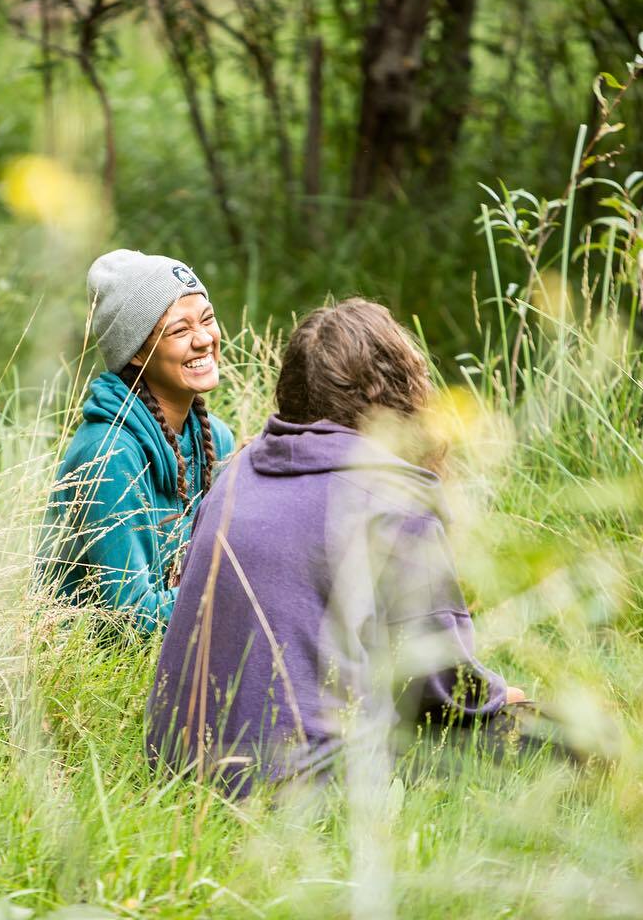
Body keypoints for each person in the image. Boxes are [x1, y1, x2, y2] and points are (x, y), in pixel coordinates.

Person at [146, 298, 526, 796]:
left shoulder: (235, 473)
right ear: (396, 394)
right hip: (295, 788)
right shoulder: (393, 501)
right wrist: (500, 698)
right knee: (559, 738)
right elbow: (441, 695)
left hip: (177, 770)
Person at [42, 249, 236, 633]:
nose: (203, 339)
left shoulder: (217, 438)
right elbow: (129, 619)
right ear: (135, 353)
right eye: (179, 331)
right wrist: (238, 593)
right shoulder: (109, 455)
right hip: (86, 676)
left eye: (207, 320)